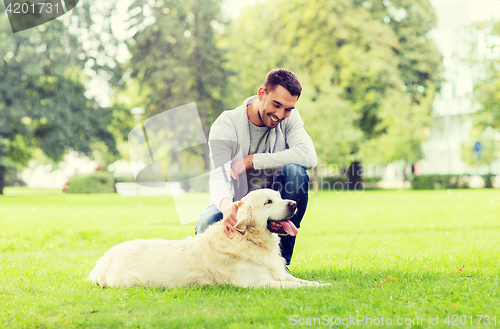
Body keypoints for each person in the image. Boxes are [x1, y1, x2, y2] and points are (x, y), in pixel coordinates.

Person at [195, 69, 317, 266]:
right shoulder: (226, 124)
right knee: (205, 225)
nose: (280, 115)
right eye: (276, 105)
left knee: (296, 173)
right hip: (236, 202)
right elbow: (219, 176)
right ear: (262, 94)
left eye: (288, 109)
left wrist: (253, 160)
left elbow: (309, 156)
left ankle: (280, 265)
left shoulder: (290, 118)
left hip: (272, 204)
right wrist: (227, 207)